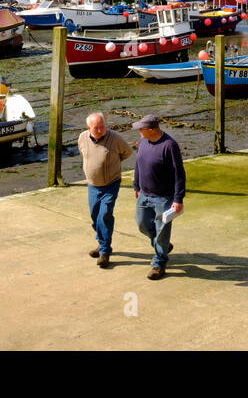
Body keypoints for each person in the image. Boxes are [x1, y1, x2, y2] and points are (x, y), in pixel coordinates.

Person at [131, 114, 185, 280]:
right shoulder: (142, 142)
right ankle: (162, 245)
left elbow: (179, 174)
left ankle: (159, 263)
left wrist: (178, 198)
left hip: (164, 197)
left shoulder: (169, 145)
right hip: (144, 194)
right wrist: (136, 185)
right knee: (142, 224)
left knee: (162, 230)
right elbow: (138, 164)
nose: (139, 131)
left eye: (142, 128)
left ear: (152, 130)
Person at [77, 112, 133, 269]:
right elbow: (83, 153)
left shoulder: (115, 138)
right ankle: (102, 242)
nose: (101, 130)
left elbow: (127, 152)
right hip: (93, 185)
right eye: (97, 127)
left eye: (103, 126)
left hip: (111, 184)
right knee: (95, 217)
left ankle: (105, 252)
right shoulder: (82, 137)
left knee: (104, 215)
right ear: (89, 128)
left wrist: (111, 164)